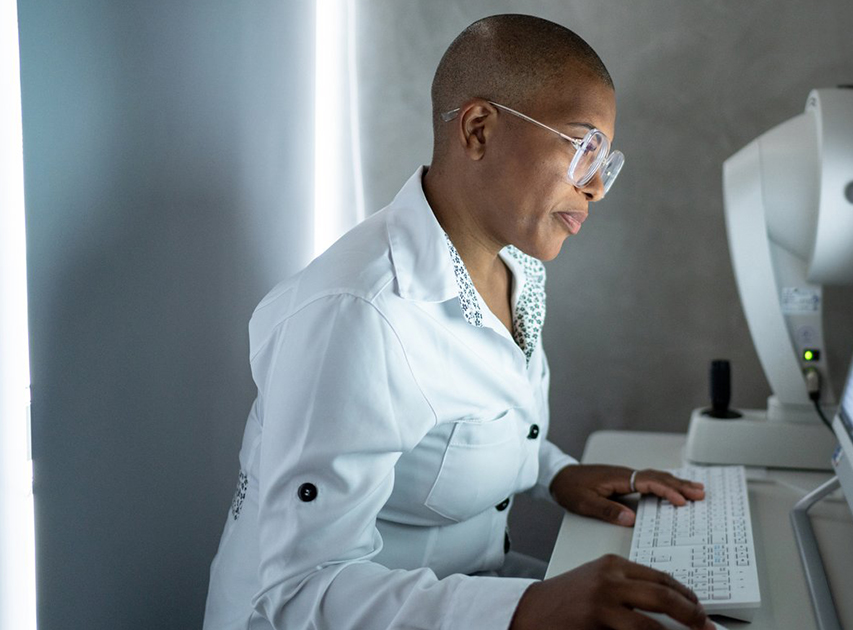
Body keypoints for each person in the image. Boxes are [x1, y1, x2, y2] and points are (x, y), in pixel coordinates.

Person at [203, 14, 716, 630]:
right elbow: (299, 593)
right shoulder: (358, 316)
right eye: (583, 147)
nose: (598, 186)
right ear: (478, 129)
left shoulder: (512, 271)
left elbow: (459, 430)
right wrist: (526, 608)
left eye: (606, 158)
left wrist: (553, 473)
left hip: (466, 594)